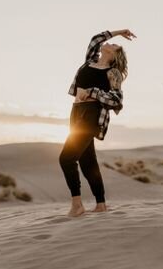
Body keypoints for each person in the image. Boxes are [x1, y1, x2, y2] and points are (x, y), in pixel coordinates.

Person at [59, 28, 137, 217]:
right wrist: (119, 32)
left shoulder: (113, 73)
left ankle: (77, 204)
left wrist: (93, 92)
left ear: (115, 55)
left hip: (93, 114)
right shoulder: (90, 61)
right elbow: (95, 39)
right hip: (76, 112)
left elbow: (117, 99)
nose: (110, 43)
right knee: (87, 161)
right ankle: (101, 204)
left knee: (66, 158)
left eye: (115, 45)